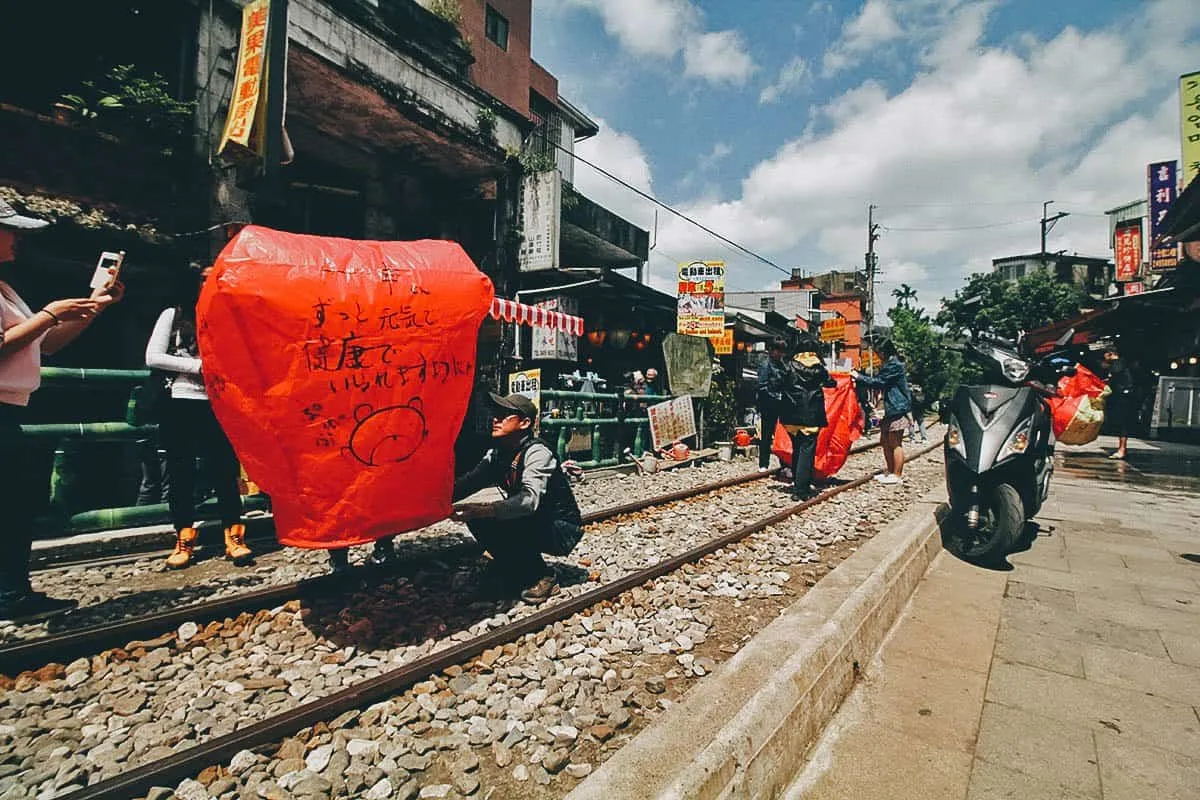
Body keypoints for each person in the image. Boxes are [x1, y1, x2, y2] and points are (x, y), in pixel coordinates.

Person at [0, 199, 123, 621]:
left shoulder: (6, 288)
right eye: (10, 230)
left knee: (13, 503)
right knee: (10, 502)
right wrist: (50, 314)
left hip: (11, 406)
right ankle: (9, 595)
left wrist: (94, 304)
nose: (17, 238)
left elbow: (45, 343)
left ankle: (12, 591)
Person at [145, 262, 253, 569]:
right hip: (180, 401)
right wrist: (199, 367)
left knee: (224, 469)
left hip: (219, 401)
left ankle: (233, 535)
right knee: (180, 471)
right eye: (205, 280)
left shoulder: (228, 318)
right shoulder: (174, 315)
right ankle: (183, 537)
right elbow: (152, 356)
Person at [452, 393, 583, 604]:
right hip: (536, 519)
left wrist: (486, 509)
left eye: (505, 415)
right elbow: (471, 482)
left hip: (561, 528)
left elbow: (529, 501)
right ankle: (511, 565)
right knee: (478, 518)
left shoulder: (537, 452)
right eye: (496, 414)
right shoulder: (498, 452)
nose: (495, 419)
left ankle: (541, 575)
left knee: (494, 516)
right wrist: (437, 500)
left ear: (524, 423)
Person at [779, 336, 836, 499]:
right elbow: (831, 383)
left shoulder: (788, 365)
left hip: (790, 415)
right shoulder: (818, 368)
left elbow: (778, 383)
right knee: (806, 451)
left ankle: (798, 482)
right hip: (810, 416)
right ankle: (801, 490)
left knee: (797, 449)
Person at [854, 339, 911, 485]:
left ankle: (897, 474)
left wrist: (858, 377)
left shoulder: (894, 365)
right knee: (885, 441)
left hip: (897, 407)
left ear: (884, 352)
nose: (877, 355)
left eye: (878, 352)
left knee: (895, 441)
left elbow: (879, 382)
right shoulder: (890, 364)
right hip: (890, 408)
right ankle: (890, 471)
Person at [755, 339, 790, 473]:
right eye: (778, 350)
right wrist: (776, 396)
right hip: (768, 404)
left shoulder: (783, 365)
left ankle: (785, 463)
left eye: (782, 351)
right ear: (772, 350)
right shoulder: (766, 365)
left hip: (781, 404)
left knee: (782, 435)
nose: (780, 354)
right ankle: (763, 463)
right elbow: (762, 386)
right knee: (766, 435)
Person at [1103, 347, 1138, 460]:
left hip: (1122, 398)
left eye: (1105, 354)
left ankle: (1122, 450)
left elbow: (1114, 379)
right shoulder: (1121, 364)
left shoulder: (1117, 364)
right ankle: (1122, 449)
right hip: (1123, 397)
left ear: (1110, 354)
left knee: (1122, 424)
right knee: (1121, 424)